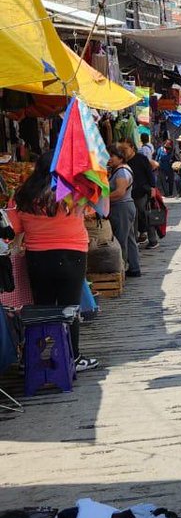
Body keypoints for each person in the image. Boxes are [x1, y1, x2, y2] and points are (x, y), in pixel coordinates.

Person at [6, 153, 97, 372]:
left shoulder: (22, 194)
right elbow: (92, 210)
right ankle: (74, 357)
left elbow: (14, 228)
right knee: (70, 308)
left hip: (38, 258)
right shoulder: (74, 191)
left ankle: (30, 358)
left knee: (40, 310)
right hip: (72, 255)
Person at [107, 147, 142, 278]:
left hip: (122, 207)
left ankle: (121, 269)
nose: (109, 159)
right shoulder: (120, 170)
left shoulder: (122, 172)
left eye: (112, 156)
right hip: (125, 207)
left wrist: (102, 200)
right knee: (129, 239)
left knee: (121, 239)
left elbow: (119, 192)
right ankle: (134, 268)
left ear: (120, 158)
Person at [118, 139, 159, 251]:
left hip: (141, 192)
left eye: (125, 149)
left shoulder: (141, 158)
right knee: (133, 219)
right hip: (128, 194)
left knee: (145, 216)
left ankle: (153, 240)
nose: (123, 151)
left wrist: (153, 188)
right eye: (121, 149)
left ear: (132, 148)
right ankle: (134, 242)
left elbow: (150, 173)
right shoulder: (122, 161)